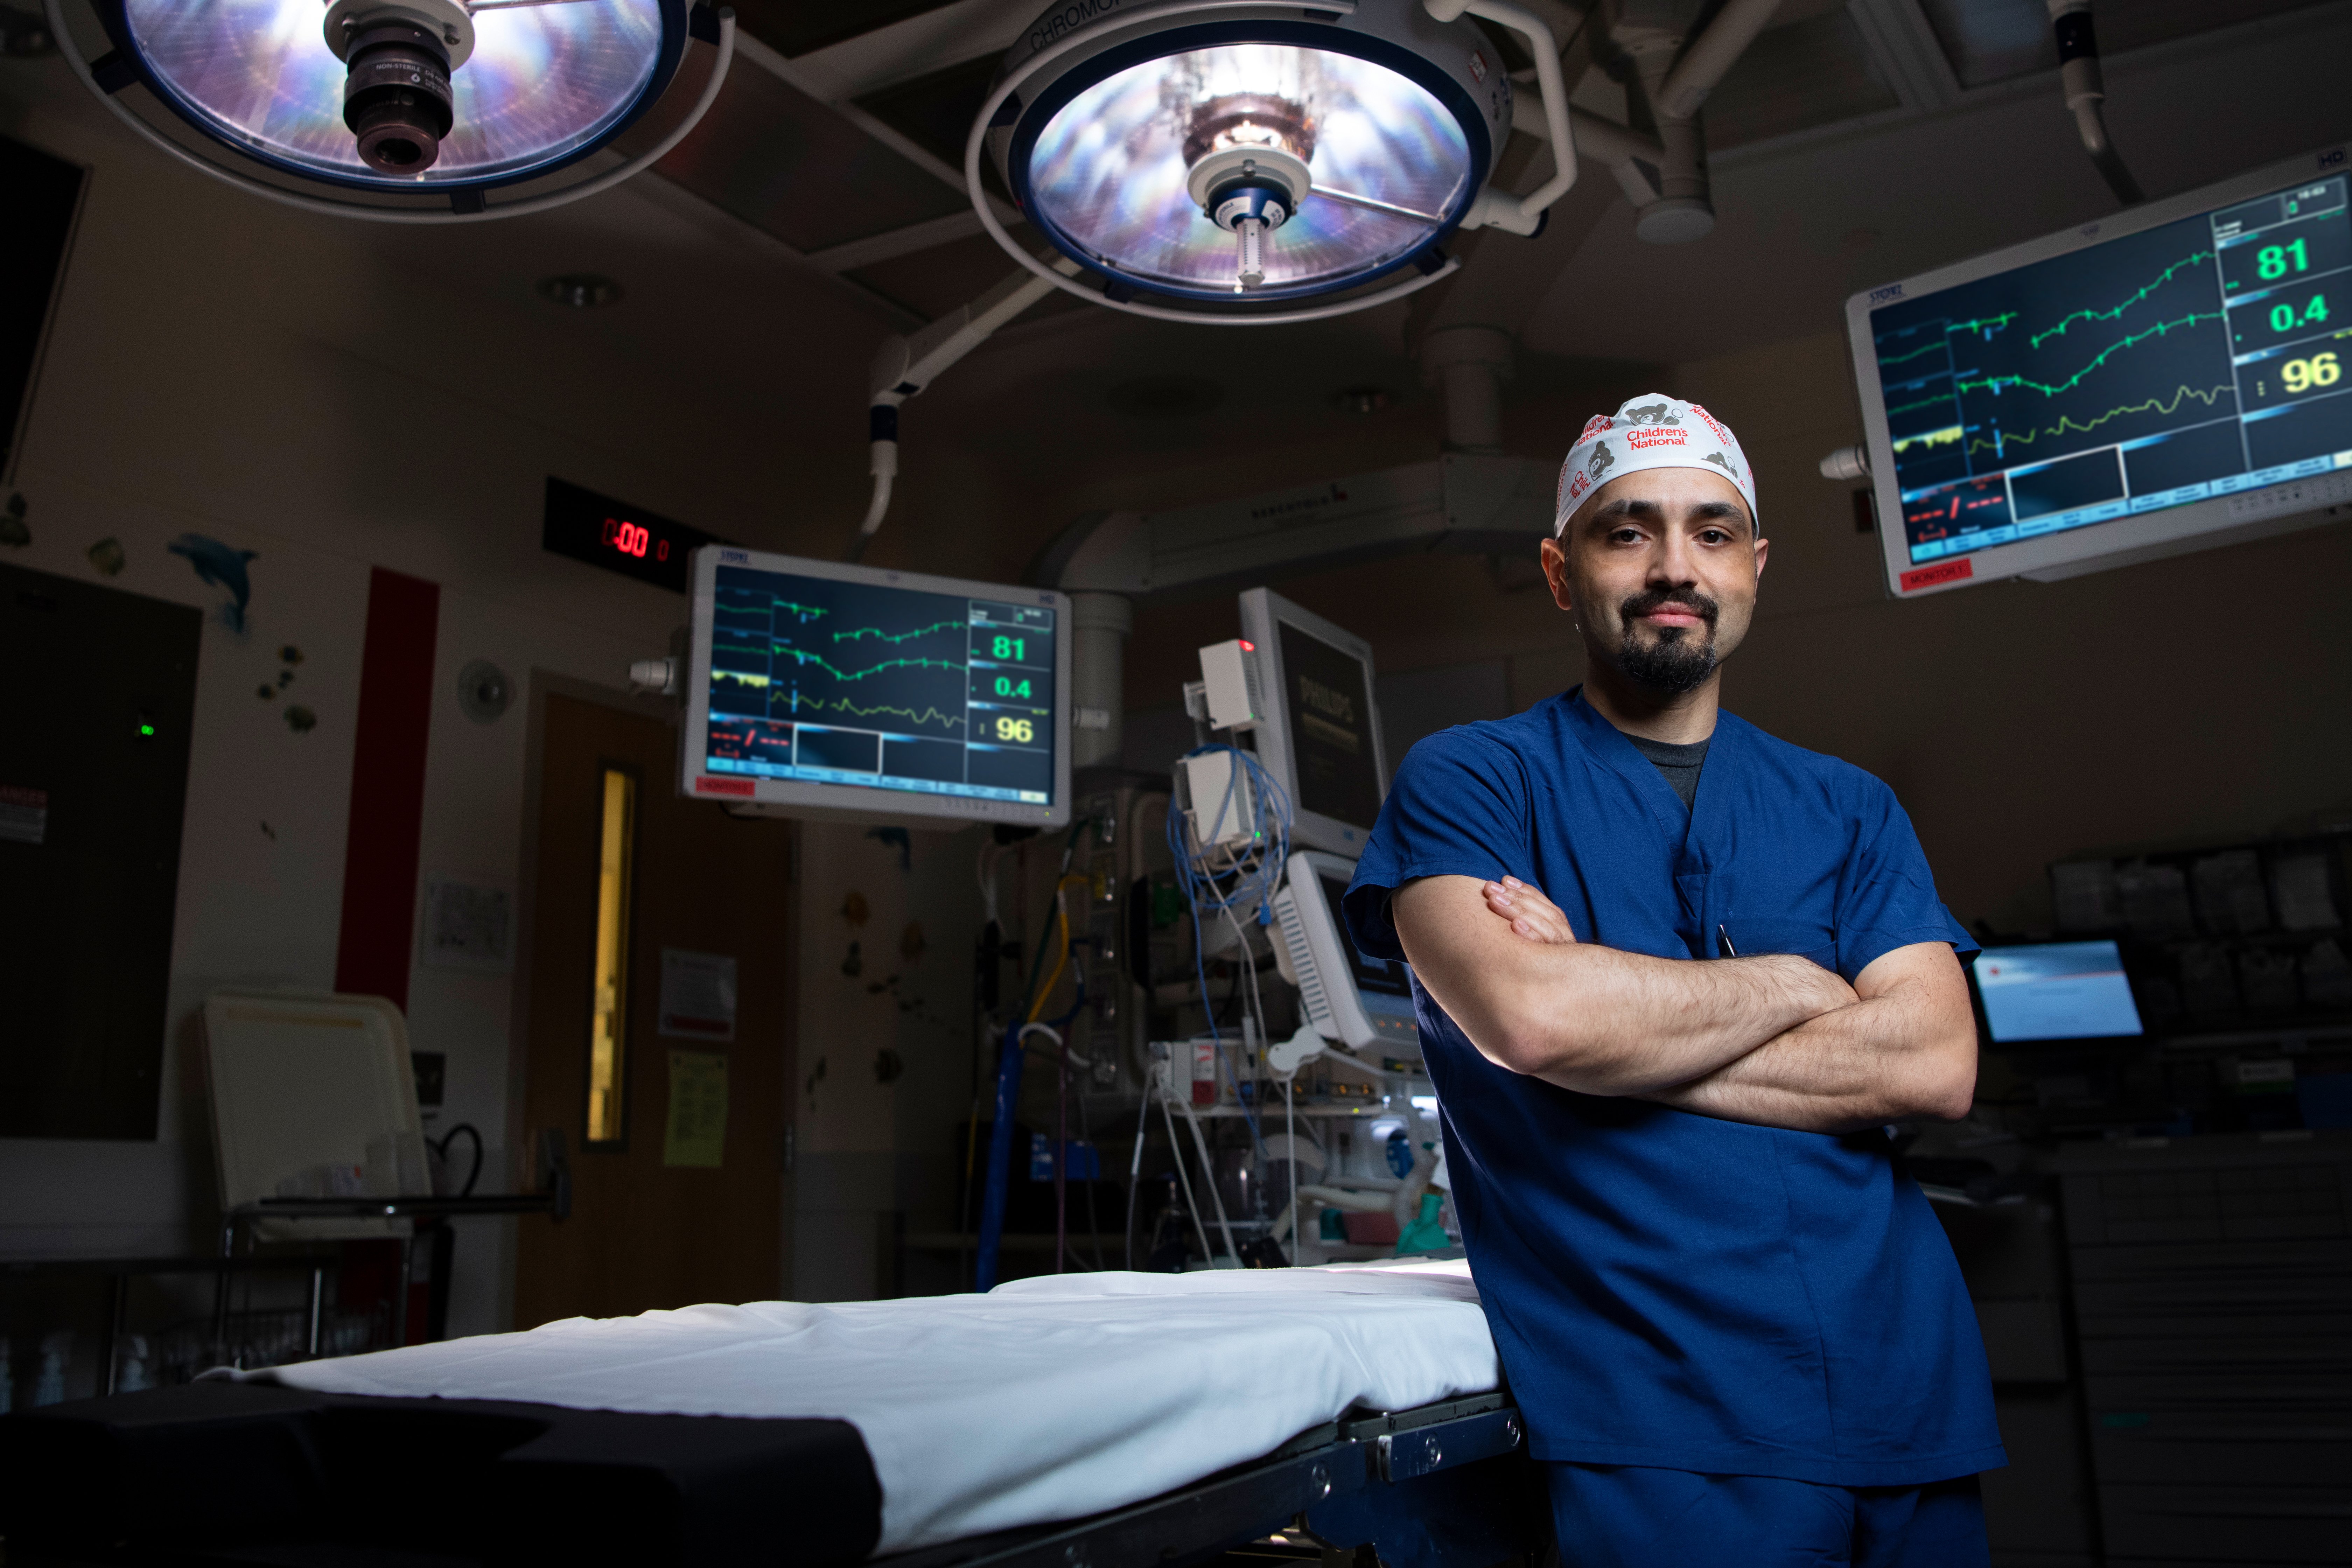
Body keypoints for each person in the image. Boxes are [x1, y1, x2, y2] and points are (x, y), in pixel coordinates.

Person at [1342, 394, 2003, 1567]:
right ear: (1561, 571)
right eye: (1627, 530)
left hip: (1901, 1388)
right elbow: (1535, 1020)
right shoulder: (1473, 783)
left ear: (1754, 566)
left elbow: (1934, 1064)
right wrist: (1809, 985)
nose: (1672, 567)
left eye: (1709, 531)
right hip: (1652, 1410)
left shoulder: (1849, 807)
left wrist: (1617, 1028)